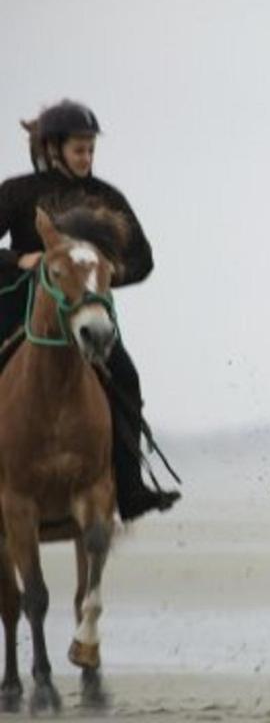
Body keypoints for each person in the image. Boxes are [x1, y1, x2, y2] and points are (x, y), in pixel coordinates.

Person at [0, 99, 180, 521]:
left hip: (86, 317)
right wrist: (19, 261)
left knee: (127, 379)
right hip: (20, 309)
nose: (87, 158)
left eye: (91, 150)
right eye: (79, 150)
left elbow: (143, 259)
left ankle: (131, 488)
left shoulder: (106, 197)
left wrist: (105, 274)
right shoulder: (17, 192)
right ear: (52, 148)